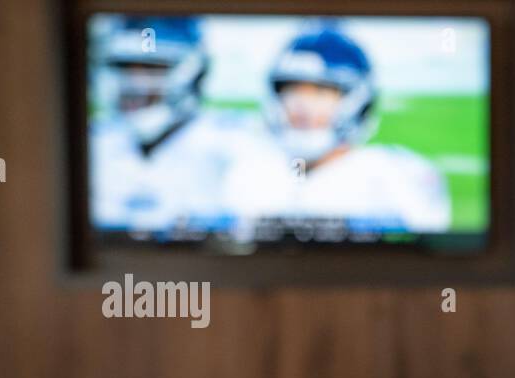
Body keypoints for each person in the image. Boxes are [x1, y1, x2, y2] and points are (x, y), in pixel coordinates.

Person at [224, 25, 452, 235]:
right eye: (292, 90)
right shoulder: (250, 171)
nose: (302, 106)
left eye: (320, 92)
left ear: (356, 99)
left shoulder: (394, 178)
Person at [89, 16, 238, 234]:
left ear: (191, 72)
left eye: (152, 68)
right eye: (126, 68)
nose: (135, 84)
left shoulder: (231, 149)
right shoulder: (94, 145)